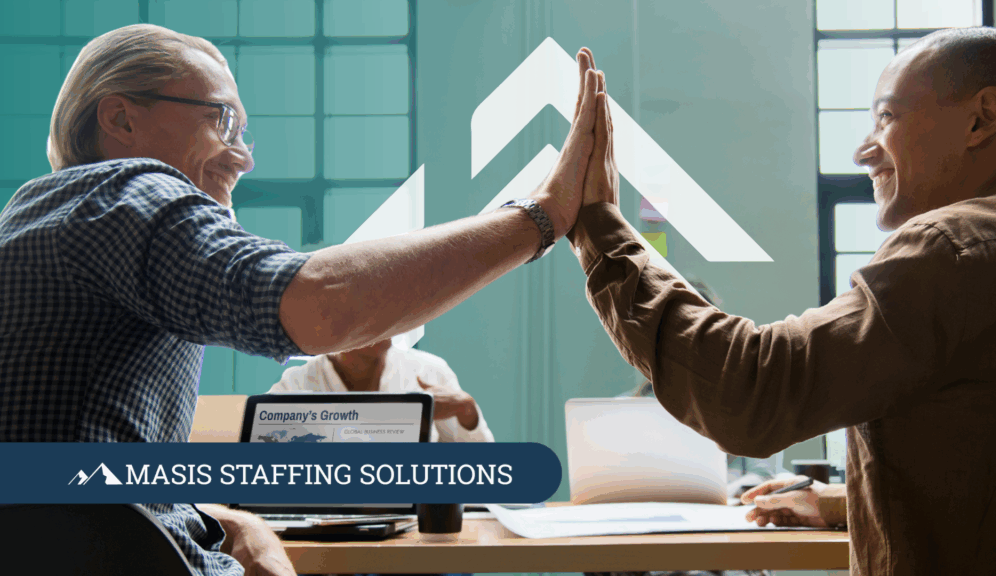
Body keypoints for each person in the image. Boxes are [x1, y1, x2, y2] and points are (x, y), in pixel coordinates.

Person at [0, 24, 604, 576]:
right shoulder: (132, 194)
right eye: (221, 121)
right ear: (122, 120)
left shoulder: (32, 218)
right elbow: (322, 304)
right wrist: (542, 217)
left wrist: (228, 521)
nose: (243, 155)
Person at [569, 27, 996, 576]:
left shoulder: (953, 249)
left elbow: (750, 388)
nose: (863, 150)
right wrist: (839, 502)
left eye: (886, 119)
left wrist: (597, 223)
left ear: (982, 118)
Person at [269, 338, 494, 443]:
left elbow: (483, 475)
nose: (384, 321)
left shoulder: (429, 371)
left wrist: (467, 411)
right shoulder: (296, 385)